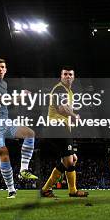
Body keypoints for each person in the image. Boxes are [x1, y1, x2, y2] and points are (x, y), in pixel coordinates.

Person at [0, 58, 37, 199]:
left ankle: (24, 170)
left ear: (5, 70)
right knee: (3, 152)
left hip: (5, 122)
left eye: (2, 67)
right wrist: (20, 97)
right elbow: (0, 100)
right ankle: (11, 189)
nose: (0, 69)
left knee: (30, 133)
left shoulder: (4, 84)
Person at [40, 66, 89, 198]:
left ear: (73, 77)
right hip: (57, 127)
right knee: (69, 161)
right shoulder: (60, 89)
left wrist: (71, 120)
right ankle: (72, 191)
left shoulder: (69, 92)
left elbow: (66, 111)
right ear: (61, 77)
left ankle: (46, 189)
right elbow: (61, 109)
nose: (68, 76)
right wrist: (75, 116)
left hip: (63, 127)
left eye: (70, 74)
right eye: (65, 74)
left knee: (72, 159)